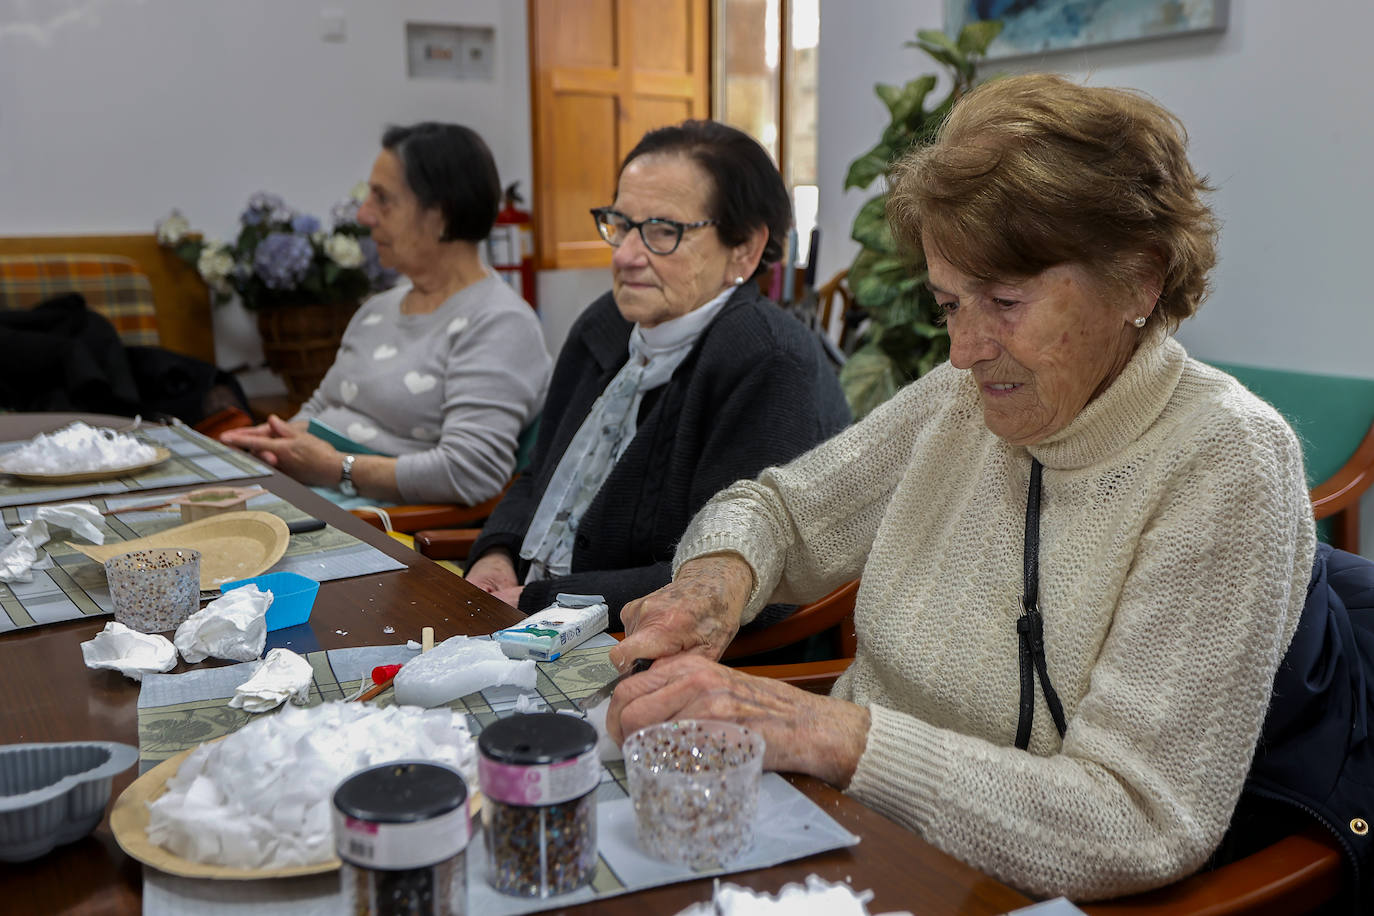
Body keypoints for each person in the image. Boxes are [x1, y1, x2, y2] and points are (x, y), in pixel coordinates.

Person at [604, 75, 1317, 901]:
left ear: (1141, 278)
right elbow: (777, 512)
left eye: (1005, 302)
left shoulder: (1225, 461)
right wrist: (714, 582)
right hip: (840, 836)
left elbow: (1138, 820)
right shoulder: (960, 403)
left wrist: (831, 735)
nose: (966, 349)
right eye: (949, 304)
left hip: (999, 886)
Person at [464, 120, 850, 621]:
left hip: (670, 655)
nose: (625, 255)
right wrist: (497, 554)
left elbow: (732, 578)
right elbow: (539, 474)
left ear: (746, 249)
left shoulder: (766, 358)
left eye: (663, 231)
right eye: (621, 225)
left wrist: (542, 600)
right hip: (531, 614)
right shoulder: (605, 324)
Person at [222, 123, 550, 506]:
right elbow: (321, 409)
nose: (364, 215)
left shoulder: (499, 323)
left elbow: (470, 472)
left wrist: (334, 468)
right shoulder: (378, 308)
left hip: (379, 527)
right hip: (315, 497)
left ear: (440, 214)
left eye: (382, 199)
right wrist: (271, 444)